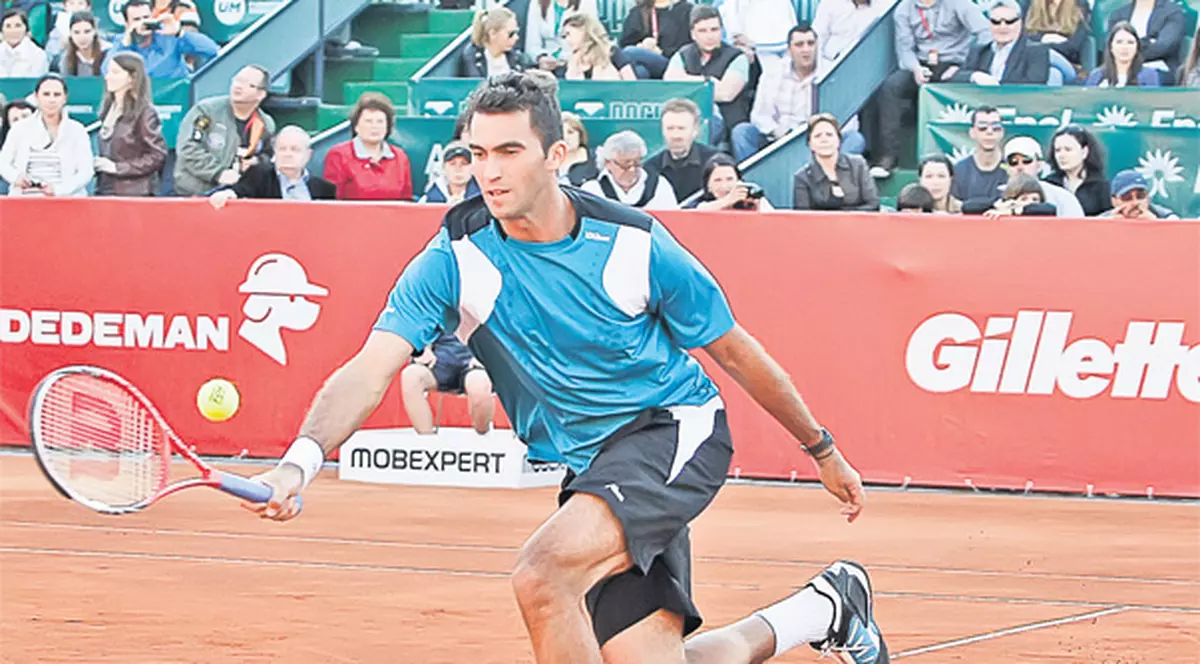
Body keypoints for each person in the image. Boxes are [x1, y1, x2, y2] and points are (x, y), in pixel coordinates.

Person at [244, 70, 886, 664]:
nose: (487, 172)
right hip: (592, 466)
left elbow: (739, 356)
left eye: (509, 152)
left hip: (670, 432)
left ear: (557, 156)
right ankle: (824, 607)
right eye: (478, 153)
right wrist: (300, 462)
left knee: (544, 575)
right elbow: (370, 369)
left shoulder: (635, 245)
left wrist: (821, 449)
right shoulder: (455, 256)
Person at [864, 0, 990, 177]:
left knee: (973, 79)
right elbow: (905, 49)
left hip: (955, 63)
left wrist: (965, 64)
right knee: (891, 87)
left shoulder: (960, 4)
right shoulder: (904, 9)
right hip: (921, 63)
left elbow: (985, 32)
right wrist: (915, 68)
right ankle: (888, 157)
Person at [174, 65, 275, 196]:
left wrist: (256, 161)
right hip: (196, 193)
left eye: (248, 84)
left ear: (261, 94)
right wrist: (218, 172)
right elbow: (188, 148)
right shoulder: (206, 111)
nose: (238, 86)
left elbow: (269, 156)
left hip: (238, 196)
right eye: (237, 80)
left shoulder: (265, 123)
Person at [664, 5, 752, 144]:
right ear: (693, 34)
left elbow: (726, 94)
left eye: (714, 30)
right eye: (702, 31)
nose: (709, 36)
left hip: (728, 124)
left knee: (711, 118)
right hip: (689, 121)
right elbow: (671, 84)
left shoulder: (737, 57)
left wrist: (689, 85)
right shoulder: (682, 54)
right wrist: (708, 81)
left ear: (722, 31)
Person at [0, 74, 93, 196]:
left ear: (65, 98)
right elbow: (3, 163)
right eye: (46, 94)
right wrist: (16, 177)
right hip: (25, 199)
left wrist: (59, 189)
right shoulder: (19, 129)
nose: (51, 99)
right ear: (36, 97)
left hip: (67, 200)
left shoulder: (77, 130)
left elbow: (86, 171)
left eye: (57, 94)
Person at [94, 51, 166, 196]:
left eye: (115, 72)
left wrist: (118, 167)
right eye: (108, 72)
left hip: (134, 193)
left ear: (132, 78)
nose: (108, 77)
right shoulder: (107, 108)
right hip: (105, 189)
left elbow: (157, 155)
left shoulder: (145, 112)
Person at [209, 126, 336, 208]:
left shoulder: (324, 189)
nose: (288, 154)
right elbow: (240, 190)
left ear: (308, 155)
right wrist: (227, 194)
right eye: (282, 149)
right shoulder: (259, 175)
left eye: (295, 150)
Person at [322, 92, 414, 201]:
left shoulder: (400, 156)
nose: (374, 127)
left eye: (380, 122)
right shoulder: (339, 155)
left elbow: (406, 200)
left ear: (388, 126)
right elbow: (332, 202)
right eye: (368, 121)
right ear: (356, 126)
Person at [401, 331, 494, 435]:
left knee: (479, 384)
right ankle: (426, 440)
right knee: (411, 375)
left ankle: (483, 435)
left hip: (474, 362)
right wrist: (423, 350)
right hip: (438, 362)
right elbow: (419, 328)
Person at [104, 0, 218, 79]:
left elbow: (212, 50)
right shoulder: (122, 41)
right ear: (127, 24)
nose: (143, 23)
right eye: (137, 19)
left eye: (146, 17)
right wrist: (125, 45)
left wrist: (180, 32)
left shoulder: (168, 35)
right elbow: (105, 72)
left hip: (174, 103)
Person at [950, 0, 1051, 85]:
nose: (1002, 27)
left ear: (1020, 22)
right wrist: (974, 76)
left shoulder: (1036, 51)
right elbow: (957, 77)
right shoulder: (980, 50)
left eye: (1009, 21)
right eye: (996, 22)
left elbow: (1035, 86)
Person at [793, 114, 879, 211]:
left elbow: (873, 204)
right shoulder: (802, 177)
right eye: (817, 136)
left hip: (859, 224)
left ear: (839, 140)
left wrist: (844, 219)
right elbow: (803, 217)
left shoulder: (858, 164)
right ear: (810, 144)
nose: (824, 139)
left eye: (829, 135)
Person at [644, 97, 719, 202]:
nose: (676, 135)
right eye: (670, 128)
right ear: (662, 130)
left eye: (681, 128)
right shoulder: (650, 168)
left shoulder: (716, 162)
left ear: (695, 130)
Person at [581, 129, 679, 209]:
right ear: (608, 163)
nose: (632, 170)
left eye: (637, 163)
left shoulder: (660, 186)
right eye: (625, 165)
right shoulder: (592, 190)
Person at [1001, 135, 1084, 217]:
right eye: (1013, 162)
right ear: (1007, 167)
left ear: (1040, 165)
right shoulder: (997, 196)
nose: (1020, 167)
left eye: (1027, 161)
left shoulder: (1063, 198)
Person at [1106, 0, 1185, 79]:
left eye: (1131, 43)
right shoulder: (1118, 14)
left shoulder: (1172, 12)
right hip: (1121, 68)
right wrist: (1149, 41)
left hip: (1158, 68)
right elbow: (1111, 44)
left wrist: (1129, 51)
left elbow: (1163, 46)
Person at [1044, 124, 1110, 217]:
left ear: (1084, 152)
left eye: (1068, 149)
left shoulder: (1102, 187)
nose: (1061, 155)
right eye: (1058, 150)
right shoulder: (1048, 184)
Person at [618, 0, 694, 79]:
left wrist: (660, 52)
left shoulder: (685, 10)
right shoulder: (638, 12)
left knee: (630, 52)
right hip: (641, 60)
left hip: (672, 63)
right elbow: (624, 44)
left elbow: (688, 45)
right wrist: (641, 46)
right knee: (641, 72)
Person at [950, 105, 1007, 205]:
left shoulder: (1012, 170)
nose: (989, 132)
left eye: (995, 127)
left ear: (1002, 132)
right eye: (982, 127)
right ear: (972, 132)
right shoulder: (959, 171)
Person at [456, 7, 531, 78]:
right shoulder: (471, 58)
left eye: (516, 32)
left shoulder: (518, 59)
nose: (516, 38)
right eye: (511, 34)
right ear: (492, 34)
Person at [811, 0, 887, 70]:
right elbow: (816, 39)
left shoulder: (885, 4)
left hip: (873, 69)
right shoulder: (830, 3)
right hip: (832, 68)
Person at [524, 0, 597, 71]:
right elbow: (532, 44)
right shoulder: (537, 2)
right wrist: (541, 58)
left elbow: (592, 40)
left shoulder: (587, 2)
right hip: (547, 66)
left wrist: (570, 59)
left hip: (577, 64)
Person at [560, 13, 636, 80]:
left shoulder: (611, 52)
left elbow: (632, 85)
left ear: (583, 30)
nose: (566, 39)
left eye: (568, 34)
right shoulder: (571, 62)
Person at [686, 152, 774, 210]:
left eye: (730, 179)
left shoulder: (753, 199)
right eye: (717, 180)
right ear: (708, 186)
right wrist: (728, 200)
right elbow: (697, 211)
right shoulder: (700, 204)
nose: (724, 186)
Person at [1085, 21, 1160, 86]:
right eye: (1119, 42)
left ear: (1137, 47)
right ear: (1111, 47)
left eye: (1130, 42)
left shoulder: (1149, 75)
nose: (1124, 47)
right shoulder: (1096, 76)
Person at [1023, 0, 1090, 66]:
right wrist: (1046, 38)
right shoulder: (1033, 3)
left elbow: (1072, 47)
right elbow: (1025, 38)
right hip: (1037, 60)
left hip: (1067, 62)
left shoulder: (1080, 4)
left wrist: (1042, 44)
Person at [1097, 170, 1177, 219]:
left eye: (1140, 196)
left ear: (1148, 197)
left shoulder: (1167, 217)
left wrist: (1156, 225)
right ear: (1114, 201)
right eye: (1127, 198)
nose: (1135, 203)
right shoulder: (1100, 221)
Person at [53, 10, 106, 76]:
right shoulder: (66, 59)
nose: (82, 37)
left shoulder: (107, 54)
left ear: (94, 31)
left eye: (87, 31)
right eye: (76, 32)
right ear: (70, 34)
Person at [978, 172, 1056, 217]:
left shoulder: (1046, 209)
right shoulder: (1008, 206)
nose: (1030, 202)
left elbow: (1051, 209)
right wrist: (998, 204)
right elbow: (968, 206)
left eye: (1035, 199)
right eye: (1024, 199)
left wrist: (1014, 211)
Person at [0, 8, 49, 77]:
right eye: (8, 26)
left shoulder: (38, 55)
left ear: (27, 31)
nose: (13, 31)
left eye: (18, 26)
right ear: (2, 31)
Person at [558, 111, 598, 185]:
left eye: (570, 132)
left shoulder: (597, 158)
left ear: (580, 134)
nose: (565, 138)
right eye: (561, 133)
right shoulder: (546, 159)